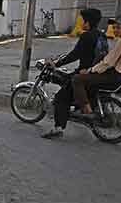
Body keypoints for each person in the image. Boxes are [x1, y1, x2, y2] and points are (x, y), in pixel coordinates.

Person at [42, 9, 106, 139]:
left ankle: (58, 128)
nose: (80, 21)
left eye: (82, 19)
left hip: (85, 74)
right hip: (97, 72)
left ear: (87, 21)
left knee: (60, 98)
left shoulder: (86, 36)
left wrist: (57, 64)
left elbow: (74, 55)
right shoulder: (101, 35)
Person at [72, 15, 121, 118]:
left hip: (115, 76)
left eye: (118, 28)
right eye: (114, 27)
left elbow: (108, 62)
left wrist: (90, 70)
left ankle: (87, 110)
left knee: (77, 79)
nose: (115, 30)